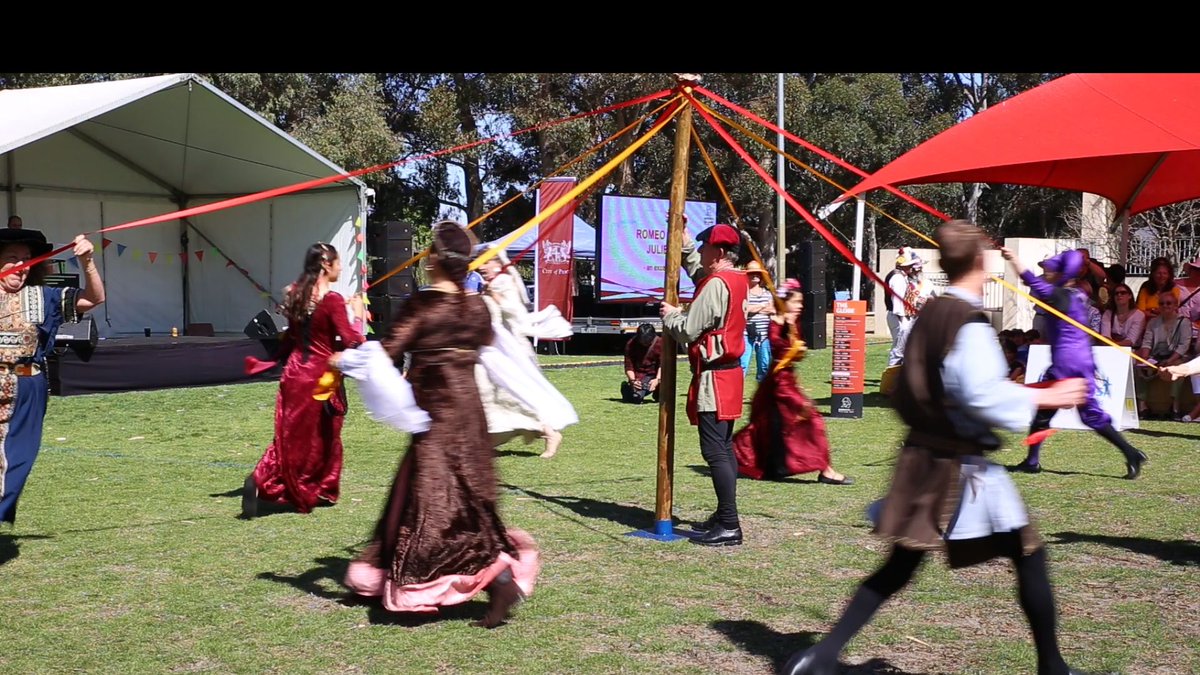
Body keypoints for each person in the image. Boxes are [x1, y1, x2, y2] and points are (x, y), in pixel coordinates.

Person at [781, 219, 1096, 675]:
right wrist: (1047, 395)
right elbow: (980, 393)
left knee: (901, 566)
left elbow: (907, 387)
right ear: (980, 261)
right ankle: (1054, 669)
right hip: (958, 466)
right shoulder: (966, 321)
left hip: (924, 457)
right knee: (1029, 554)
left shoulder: (929, 312)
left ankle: (820, 657)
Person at [339, 220, 538, 627]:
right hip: (469, 417)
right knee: (468, 498)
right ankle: (494, 574)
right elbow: (490, 348)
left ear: (434, 261)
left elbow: (386, 353)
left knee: (432, 503)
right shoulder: (477, 307)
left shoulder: (422, 305)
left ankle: (432, 583)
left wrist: (340, 360)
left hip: (435, 418)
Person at [241, 242, 366, 518]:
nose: (341, 267)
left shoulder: (296, 295)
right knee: (325, 433)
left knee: (291, 434)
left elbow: (296, 336)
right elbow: (351, 340)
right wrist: (357, 316)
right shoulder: (331, 300)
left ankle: (320, 486)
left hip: (295, 372)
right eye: (338, 262)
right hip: (319, 377)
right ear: (326, 265)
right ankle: (276, 481)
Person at [1002, 247, 1148, 479]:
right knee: (1069, 413)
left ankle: (1130, 453)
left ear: (1062, 273)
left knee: (1063, 413)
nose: (1046, 273)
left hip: (1067, 364)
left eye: (1050, 270)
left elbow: (1030, 280)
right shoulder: (1073, 295)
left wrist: (1013, 259)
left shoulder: (1060, 296)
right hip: (1080, 361)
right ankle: (1130, 453)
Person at [0, 229, 104, 525]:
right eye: (12, 258)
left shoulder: (42, 297)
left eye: (27, 259)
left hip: (27, 387)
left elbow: (94, 298)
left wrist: (87, 262)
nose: (22, 265)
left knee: (19, 457)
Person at [660, 223, 748, 547]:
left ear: (720, 252)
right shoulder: (736, 279)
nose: (704, 252)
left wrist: (670, 315)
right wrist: (685, 247)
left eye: (706, 247)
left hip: (715, 376)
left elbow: (687, 329)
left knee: (715, 451)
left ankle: (729, 524)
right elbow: (703, 277)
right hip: (728, 373)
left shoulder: (717, 284)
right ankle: (724, 517)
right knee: (723, 449)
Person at [731, 278, 852, 485]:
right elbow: (781, 350)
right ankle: (826, 470)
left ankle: (774, 465)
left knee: (775, 428)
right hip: (779, 385)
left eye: (801, 302)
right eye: (796, 302)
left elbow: (795, 351)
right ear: (785, 301)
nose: (800, 306)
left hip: (786, 380)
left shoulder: (792, 322)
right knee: (811, 419)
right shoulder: (776, 324)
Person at [476, 249, 572, 458]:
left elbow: (517, 312)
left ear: (495, 262)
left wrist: (494, 295)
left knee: (515, 396)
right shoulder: (490, 285)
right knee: (491, 396)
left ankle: (549, 433)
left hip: (510, 351)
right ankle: (485, 442)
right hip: (493, 351)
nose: (480, 268)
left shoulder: (502, 283)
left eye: (484, 263)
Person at [1134, 290, 1190, 419]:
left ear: (1176, 305)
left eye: (1169, 303)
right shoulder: (1153, 322)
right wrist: (1145, 360)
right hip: (1156, 356)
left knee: (1178, 368)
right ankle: (1143, 406)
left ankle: (1174, 407)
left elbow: (1183, 346)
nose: (1165, 306)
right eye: (1162, 303)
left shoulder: (1183, 322)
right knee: (1139, 367)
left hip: (1175, 357)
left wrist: (1170, 361)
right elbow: (1147, 343)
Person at [740, 260, 774, 382]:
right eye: (751, 273)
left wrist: (755, 309)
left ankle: (762, 396)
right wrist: (763, 307)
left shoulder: (767, 294)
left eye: (757, 273)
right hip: (745, 334)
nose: (755, 276)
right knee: (742, 365)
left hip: (764, 335)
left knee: (764, 366)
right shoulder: (743, 293)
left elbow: (772, 310)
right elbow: (745, 310)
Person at [884, 250, 915, 367]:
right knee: (899, 348)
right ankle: (892, 373)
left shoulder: (900, 276)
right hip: (898, 316)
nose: (912, 267)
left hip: (900, 316)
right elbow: (898, 301)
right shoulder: (897, 278)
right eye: (910, 265)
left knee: (902, 347)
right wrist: (903, 320)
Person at [621, 323, 662, 404]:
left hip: (657, 374)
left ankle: (658, 393)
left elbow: (663, 364)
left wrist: (657, 380)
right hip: (640, 375)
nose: (645, 343)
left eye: (647, 341)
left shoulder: (660, 343)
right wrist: (633, 381)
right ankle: (627, 389)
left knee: (662, 397)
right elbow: (629, 366)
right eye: (642, 341)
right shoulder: (631, 344)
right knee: (636, 398)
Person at [1100, 282, 1145, 349]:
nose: (1119, 295)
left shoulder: (1139, 315)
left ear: (1130, 296)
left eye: (1123, 293)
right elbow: (1105, 337)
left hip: (1132, 351)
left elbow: (1130, 341)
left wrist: (1112, 344)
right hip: (1110, 350)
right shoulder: (1108, 313)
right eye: (1116, 293)